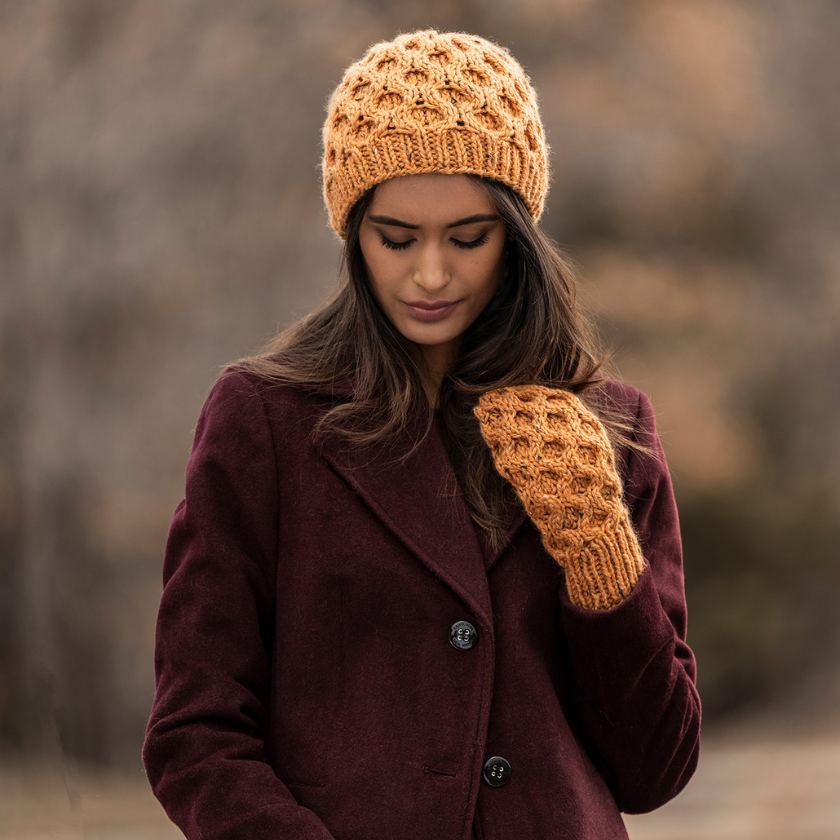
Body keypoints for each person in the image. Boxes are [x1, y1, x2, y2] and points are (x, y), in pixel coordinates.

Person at [143, 30, 701, 840]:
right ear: (353, 230)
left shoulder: (607, 431)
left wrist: (599, 555)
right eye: (396, 239)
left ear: (516, 234)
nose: (431, 276)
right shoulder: (262, 420)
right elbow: (194, 732)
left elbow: (654, 770)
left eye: (468, 239)